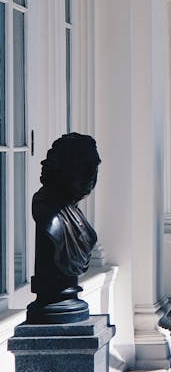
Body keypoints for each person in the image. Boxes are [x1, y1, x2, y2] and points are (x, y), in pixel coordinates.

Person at [28, 133, 101, 324]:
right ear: (64, 168)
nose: (91, 177)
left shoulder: (72, 211)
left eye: (94, 168)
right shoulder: (47, 210)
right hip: (51, 303)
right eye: (84, 168)